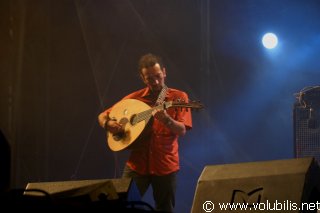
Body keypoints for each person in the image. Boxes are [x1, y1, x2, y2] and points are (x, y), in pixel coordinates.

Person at [98, 53, 192, 212]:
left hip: (165, 165)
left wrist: (167, 120)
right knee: (124, 204)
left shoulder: (178, 97)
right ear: (143, 78)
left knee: (165, 208)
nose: (155, 82)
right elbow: (102, 116)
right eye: (150, 78)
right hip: (137, 165)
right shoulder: (134, 99)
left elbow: (182, 130)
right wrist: (108, 124)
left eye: (158, 76)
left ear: (164, 72)